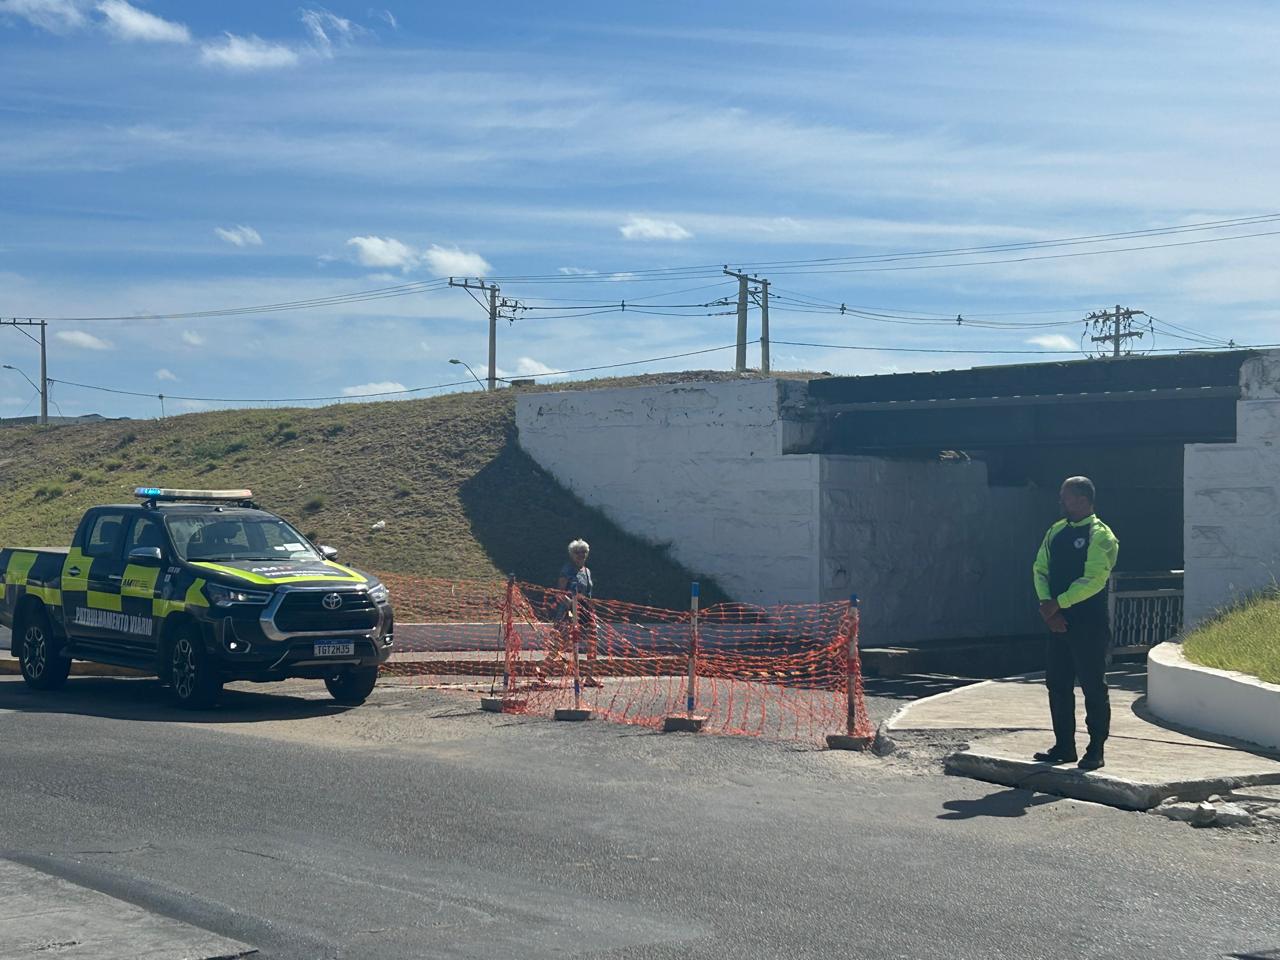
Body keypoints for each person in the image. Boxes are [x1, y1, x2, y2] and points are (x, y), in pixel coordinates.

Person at [1031, 476, 1119, 771]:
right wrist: (1049, 608)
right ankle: (1064, 746)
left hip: (1089, 624)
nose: (1061, 501)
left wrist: (1059, 603)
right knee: (1057, 684)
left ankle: (1096, 749)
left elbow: (1093, 580)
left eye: (1066, 497)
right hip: (1057, 622)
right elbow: (1040, 568)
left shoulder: (1101, 535)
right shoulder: (1055, 531)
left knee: (1093, 686)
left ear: (1083, 499)